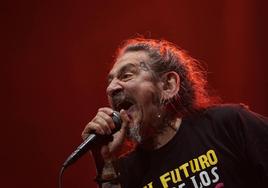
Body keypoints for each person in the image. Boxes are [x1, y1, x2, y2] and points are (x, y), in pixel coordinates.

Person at [81, 38, 268, 188]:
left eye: (126, 75)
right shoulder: (125, 172)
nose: (111, 88)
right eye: (110, 81)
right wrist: (107, 162)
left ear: (168, 85)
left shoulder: (228, 124)